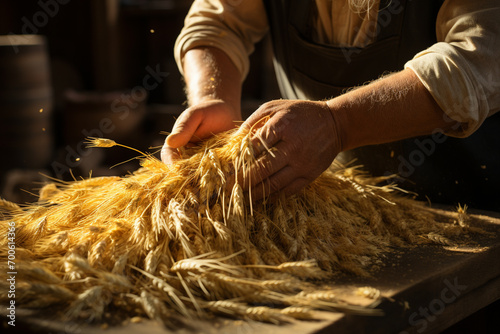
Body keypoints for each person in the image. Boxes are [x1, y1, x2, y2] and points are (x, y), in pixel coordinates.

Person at [161, 0, 500, 211]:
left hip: (472, 214)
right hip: (340, 205)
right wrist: (213, 96)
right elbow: (218, 21)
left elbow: (481, 58)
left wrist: (339, 124)